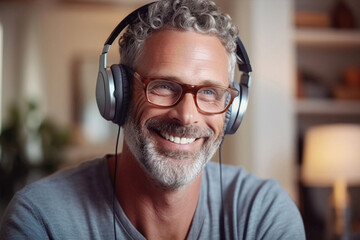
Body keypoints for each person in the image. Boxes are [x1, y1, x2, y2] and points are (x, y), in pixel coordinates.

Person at [0, 0, 306, 239]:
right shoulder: (41, 218)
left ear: (233, 109)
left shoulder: (263, 214)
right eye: (162, 86)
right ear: (117, 94)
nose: (186, 115)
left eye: (210, 92)